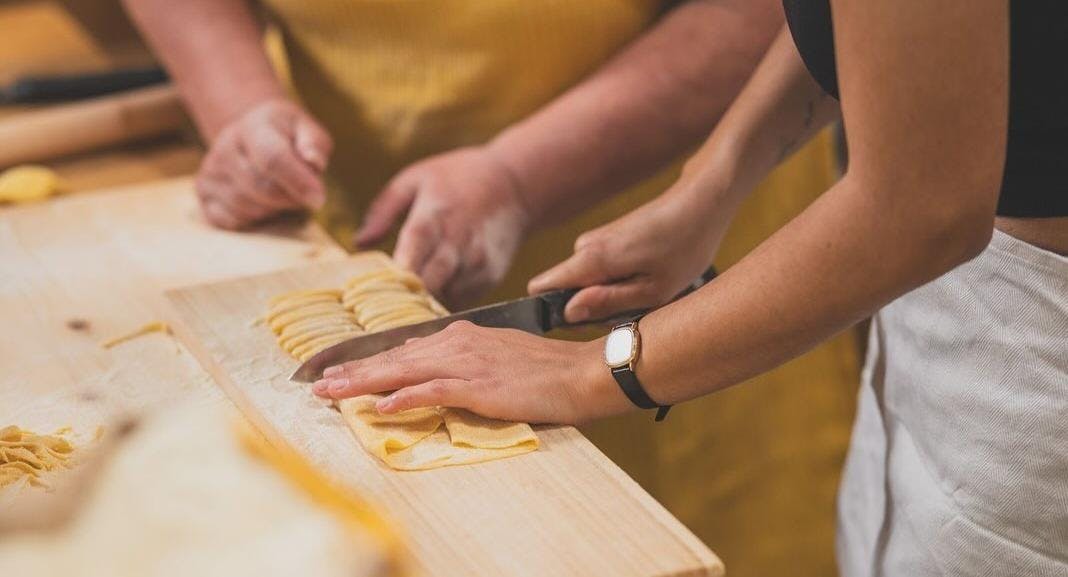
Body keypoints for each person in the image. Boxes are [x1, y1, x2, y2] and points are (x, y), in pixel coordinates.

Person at [312, 1, 1068, 575]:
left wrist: (586, 370)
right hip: (946, 317)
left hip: (1031, 369)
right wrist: (715, 178)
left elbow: (923, 212)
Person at [125, 1, 859, 573]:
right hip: (368, 221)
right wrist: (245, 111)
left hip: (677, 256)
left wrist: (519, 178)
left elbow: (794, 18)